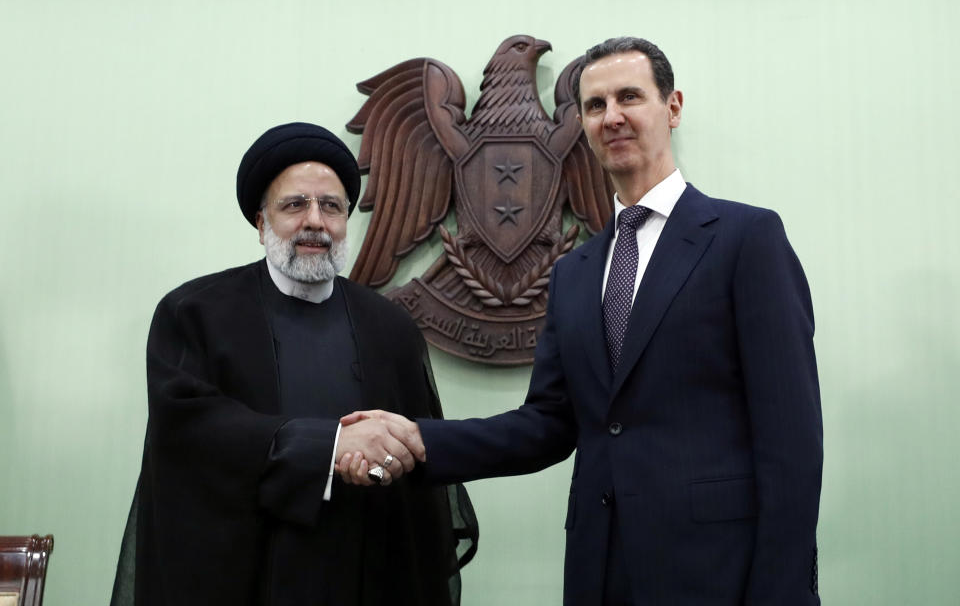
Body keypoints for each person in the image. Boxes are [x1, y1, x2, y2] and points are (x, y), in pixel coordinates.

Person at [339, 38, 823, 605]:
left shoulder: (746, 239)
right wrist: (420, 439)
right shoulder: (575, 271)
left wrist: (782, 592)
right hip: (601, 570)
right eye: (594, 106)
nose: (611, 117)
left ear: (672, 107)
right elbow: (548, 423)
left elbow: (791, 441)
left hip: (720, 574)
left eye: (629, 97)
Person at [110, 122, 477, 606]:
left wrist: (388, 457)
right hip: (243, 573)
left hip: (364, 568)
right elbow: (191, 435)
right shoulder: (194, 313)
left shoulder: (389, 327)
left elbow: (417, 453)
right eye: (294, 205)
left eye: (331, 207)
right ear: (261, 224)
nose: (315, 222)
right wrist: (330, 446)